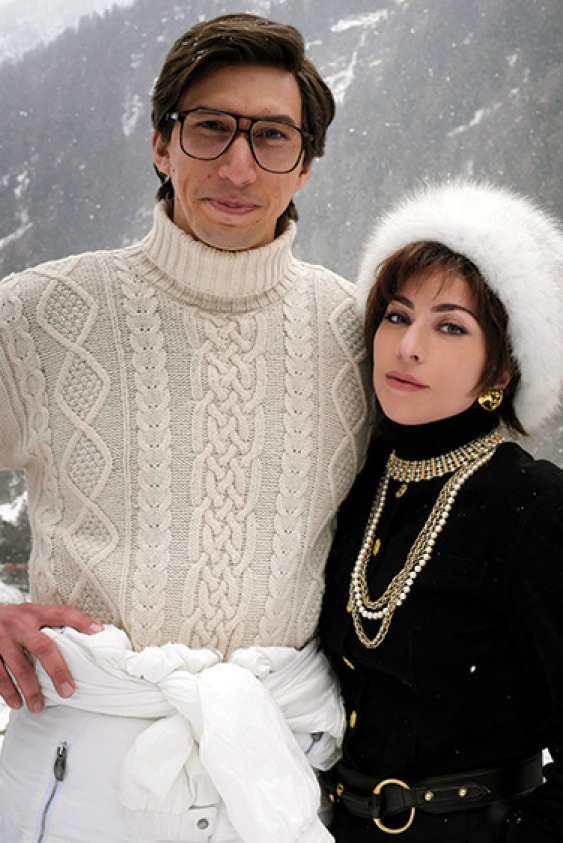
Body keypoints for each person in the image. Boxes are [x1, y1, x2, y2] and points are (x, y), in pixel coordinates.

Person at [0, 13, 370, 841]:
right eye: (210, 128)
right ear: (162, 145)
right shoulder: (41, 315)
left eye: (271, 136)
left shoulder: (354, 333)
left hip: (269, 777)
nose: (238, 165)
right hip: (75, 774)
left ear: (305, 165)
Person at [319, 180, 563, 841]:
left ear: (502, 370)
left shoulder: (531, 505)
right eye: (397, 316)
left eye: (450, 326)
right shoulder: (353, 477)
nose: (409, 346)